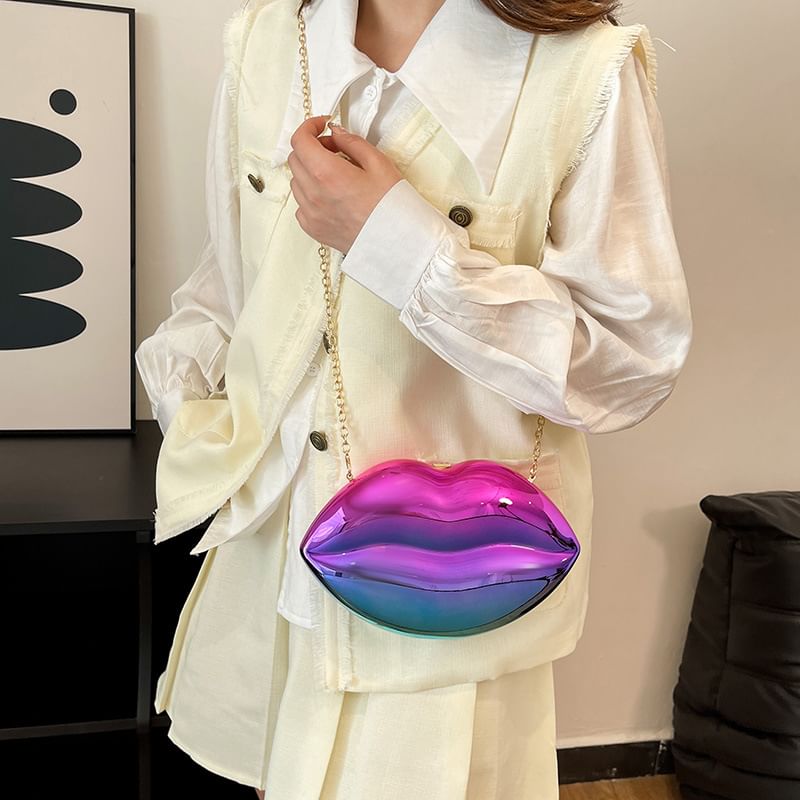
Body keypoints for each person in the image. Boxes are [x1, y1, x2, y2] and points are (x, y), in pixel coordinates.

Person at [135, 0, 692, 797]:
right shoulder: (268, 40)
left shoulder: (583, 69)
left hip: (448, 583)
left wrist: (396, 241)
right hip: (265, 556)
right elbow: (228, 287)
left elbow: (627, 359)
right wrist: (189, 413)